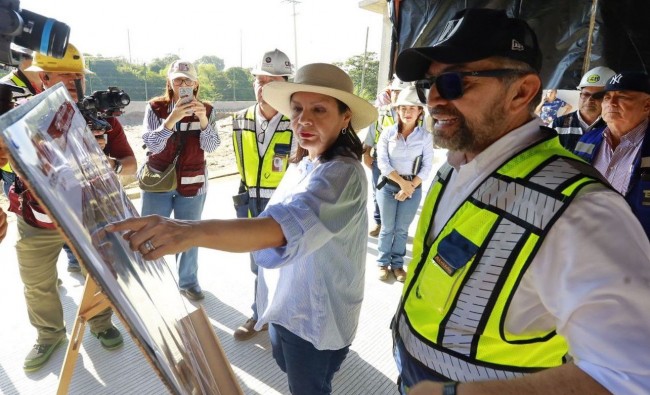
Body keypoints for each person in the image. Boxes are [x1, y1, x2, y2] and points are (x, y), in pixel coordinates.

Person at [392, 8, 650, 395]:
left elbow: (632, 375)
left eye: (453, 81)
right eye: (426, 86)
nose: (434, 100)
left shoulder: (582, 212)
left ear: (523, 91)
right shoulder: (452, 169)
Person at [108, 63, 378, 395]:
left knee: (309, 386)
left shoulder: (343, 173)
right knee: (290, 368)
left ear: (345, 116)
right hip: (284, 306)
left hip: (315, 318)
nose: (303, 120)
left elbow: (280, 229)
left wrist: (188, 231)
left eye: (319, 109)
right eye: (297, 109)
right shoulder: (306, 160)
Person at [8, 43, 136, 372]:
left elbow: (131, 166)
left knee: (101, 273)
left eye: (77, 74)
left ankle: (101, 323)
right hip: (37, 220)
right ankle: (49, 335)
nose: (72, 79)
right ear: (41, 76)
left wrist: (103, 160)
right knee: (37, 283)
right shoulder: (18, 121)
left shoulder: (96, 117)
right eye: (63, 73)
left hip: (89, 216)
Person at [140, 60, 220, 301]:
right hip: (158, 181)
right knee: (151, 234)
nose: (182, 84)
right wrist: (171, 120)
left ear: (195, 84)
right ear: (170, 82)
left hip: (193, 181)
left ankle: (188, 281)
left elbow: (212, 146)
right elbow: (151, 145)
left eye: (187, 80)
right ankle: (152, 281)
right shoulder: (155, 107)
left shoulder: (206, 109)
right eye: (178, 80)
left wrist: (203, 120)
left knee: (188, 234)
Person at [231, 48, 293, 341]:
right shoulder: (239, 119)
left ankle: (285, 318)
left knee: (289, 264)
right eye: (259, 79)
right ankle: (259, 316)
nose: (263, 86)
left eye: (272, 81)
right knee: (257, 263)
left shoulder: (296, 121)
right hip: (250, 200)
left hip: (283, 202)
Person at [574, 71, 650, 239]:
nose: (611, 103)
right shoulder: (587, 140)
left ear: (647, 105)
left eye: (622, 97)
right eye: (607, 97)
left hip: (640, 250)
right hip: (586, 242)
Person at [375, 86, 433, 282]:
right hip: (390, 185)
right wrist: (402, 184)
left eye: (412, 108)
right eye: (403, 108)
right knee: (387, 227)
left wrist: (410, 187)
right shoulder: (387, 134)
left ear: (419, 112)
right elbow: (382, 163)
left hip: (413, 187)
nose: (407, 112)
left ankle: (398, 265)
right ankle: (383, 263)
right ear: (397, 111)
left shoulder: (425, 137)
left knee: (402, 229)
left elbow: (426, 167)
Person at [363, 75, 409, 238]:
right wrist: (366, 153)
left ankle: (396, 227)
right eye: (396, 92)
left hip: (405, 162)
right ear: (391, 92)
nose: (398, 95)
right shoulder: (380, 111)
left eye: (402, 92)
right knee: (379, 192)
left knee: (402, 191)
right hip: (380, 160)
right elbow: (370, 134)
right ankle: (380, 222)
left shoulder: (416, 114)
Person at [0, 45, 42, 197]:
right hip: (14, 169)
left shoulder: (47, 83)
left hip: (43, 165)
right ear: (22, 60)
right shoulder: (5, 87)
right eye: (36, 58)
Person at [552, 66, 615, 150]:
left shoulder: (612, 127)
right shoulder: (558, 124)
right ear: (580, 94)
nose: (590, 100)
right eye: (586, 94)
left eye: (598, 96)